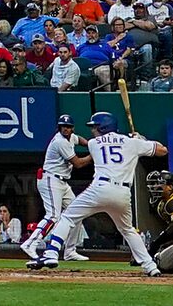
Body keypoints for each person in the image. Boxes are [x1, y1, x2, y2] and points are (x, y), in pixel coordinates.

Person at [31, 111, 163, 274]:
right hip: (122, 193)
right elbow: (162, 150)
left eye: (95, 127)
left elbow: (106, 144)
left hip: (100, 189)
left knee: (67, 217)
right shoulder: (131, 142)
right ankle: (150, 266)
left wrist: (135, 141)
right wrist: (141, 140)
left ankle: (51, 253)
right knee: (128, 230)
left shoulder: (94, 143)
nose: (92, 130)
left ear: (103, 127)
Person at [22, 117, 84, 263]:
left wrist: (94, 144)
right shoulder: (60, 141)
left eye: (68, 126)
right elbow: (78, 164)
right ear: (59, 127)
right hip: (51, 179)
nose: (65, 129)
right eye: (63, 126)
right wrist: (95, 154)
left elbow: (81, 140)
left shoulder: (71, 137)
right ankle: (30, 243)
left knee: (78, 213)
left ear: (72, 128)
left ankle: (70, 251)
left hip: (62, 182)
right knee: (52, 216)